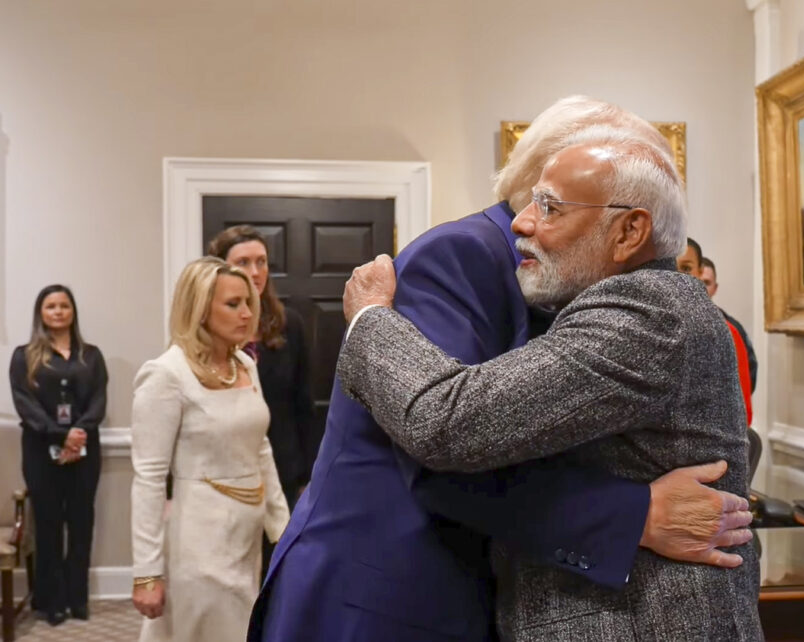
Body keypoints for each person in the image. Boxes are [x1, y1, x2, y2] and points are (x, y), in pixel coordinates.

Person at [252, 97, 753, 642]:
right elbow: (438, 448)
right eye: (539, 199)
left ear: (629, 232)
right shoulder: (463, 254)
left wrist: (372, 319)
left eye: (553, 207)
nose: (526, 221)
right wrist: (635, 515)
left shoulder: (635, 304)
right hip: (386, 593)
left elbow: (458, 423)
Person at [131, 257, 290, 641]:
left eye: (248, 303)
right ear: (199, 309)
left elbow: (260, 449)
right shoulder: (166, 374)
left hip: (245, 539)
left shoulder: (245, 365)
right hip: (199, 544)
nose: (247, 313)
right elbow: (149, 478)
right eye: (233, 304)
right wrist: (146, 572)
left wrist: (283, 529)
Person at [209, 226, 317, 579]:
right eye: (243, 262)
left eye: (261, 262)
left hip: (282, 468)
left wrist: (308, 477)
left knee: (278, 572)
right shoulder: (206, 329)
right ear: (221, 268)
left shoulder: (290, 325)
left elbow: (304, 404)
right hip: (222, 472)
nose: (254, 272)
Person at [9, 285, 107, 626]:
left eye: (64, 305)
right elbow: (25, 404)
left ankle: (77, 599)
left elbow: (97, 401)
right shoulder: (24, 355)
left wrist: (78, 433)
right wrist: (60, 433)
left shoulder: (91, 356)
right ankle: (51, 602)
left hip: (84, 451)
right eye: (51, 306)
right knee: (49, 526)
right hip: (40, 452)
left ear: (72, 311)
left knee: (81, 524)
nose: (58, 311)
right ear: (41, 312)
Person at [677, 239, 753, 423]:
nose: (678, 277)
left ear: (699, 272)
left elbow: (742, 411)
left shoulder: (726, 332)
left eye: (686, 269)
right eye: (671, 269)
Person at [701, 256, 758, 392]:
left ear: (715, 288)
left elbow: (749, 376)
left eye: (706, 283)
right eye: (697, 281)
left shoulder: (733, 329)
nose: (701, 287)